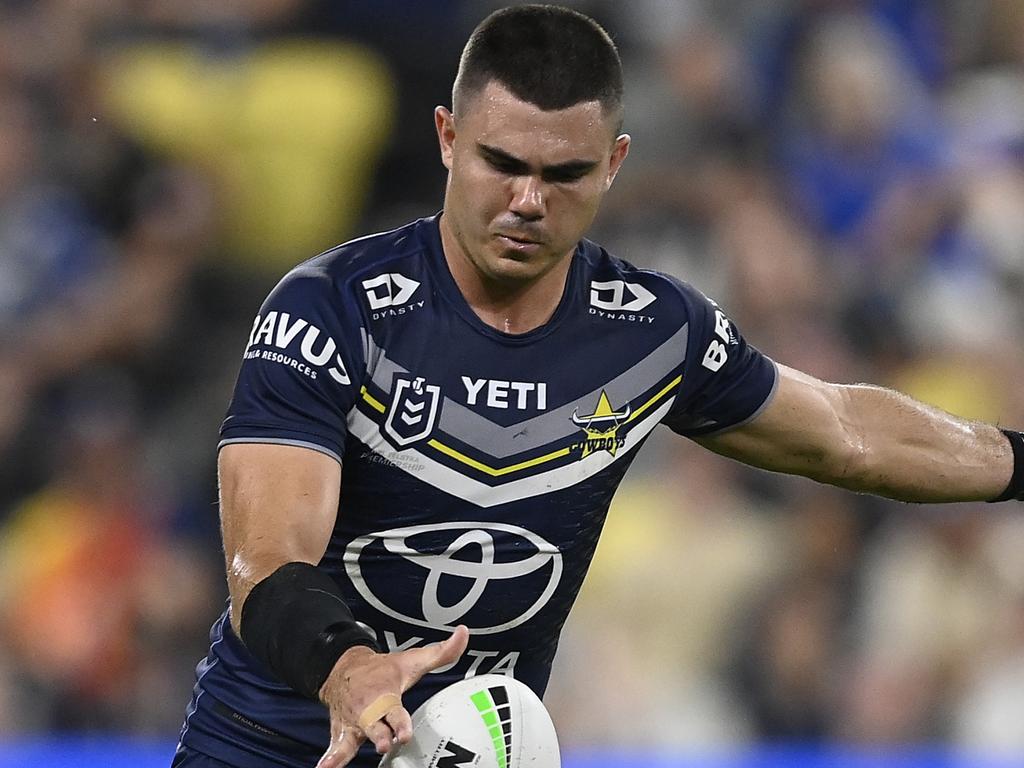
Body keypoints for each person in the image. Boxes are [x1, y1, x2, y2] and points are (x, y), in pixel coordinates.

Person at [172, 6, 1023, 768]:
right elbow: (266, 561)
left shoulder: (653, 333)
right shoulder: (332, 308)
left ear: (615, 161)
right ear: (445, 137)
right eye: (500, 162)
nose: (528, 200)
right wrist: (350, 669)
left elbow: (846, 431)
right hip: (266, 749)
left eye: (565, 173)